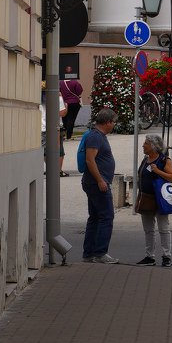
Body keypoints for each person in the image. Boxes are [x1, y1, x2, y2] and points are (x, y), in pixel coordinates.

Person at [79, 108, 118, 263]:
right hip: (97, 184)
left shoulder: (99, 136)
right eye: (113, 122)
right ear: (107, 122)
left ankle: (89, 253)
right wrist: (100, 180)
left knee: (95, 217)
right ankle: (100, 253)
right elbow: (90, 160)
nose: (114, 125)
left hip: (95, 182)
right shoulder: (95, 137)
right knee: (107, 216)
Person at [134, 135, 172, 267]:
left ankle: (166, 256)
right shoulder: (145, 160)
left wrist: (158, 171)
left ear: (153, 146)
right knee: (148, 229)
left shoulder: (164, 160)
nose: (143, 145)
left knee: (163, 228)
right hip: (145, 198)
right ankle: (149, 256)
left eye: (146, 143)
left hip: (160, 199)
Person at [60, 74, 84, 141]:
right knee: (71, 119)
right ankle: (69, 136)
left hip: (64, 103)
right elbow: (80, 91)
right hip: (74, 103)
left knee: (64, 118)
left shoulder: (60, 82)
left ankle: (64, 134)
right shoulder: (75, 82)